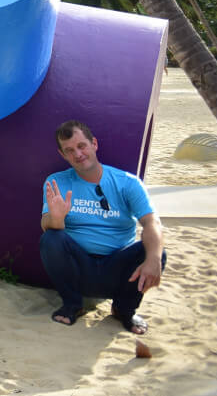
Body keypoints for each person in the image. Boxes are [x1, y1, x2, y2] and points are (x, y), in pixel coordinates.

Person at [40, 119, 165, 335]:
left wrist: (153, 260)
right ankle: (72, 304)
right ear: (62, 155)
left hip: (117, 268)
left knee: (154, 251)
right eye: (69, 150)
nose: (77, 154)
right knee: (51, 238)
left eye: (81, 146)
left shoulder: (127, 182)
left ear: (94, 144)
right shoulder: (56, 182)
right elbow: (46, 227)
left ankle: (124, 310)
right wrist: (57, 218)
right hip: (79, 268)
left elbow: (151, 222)